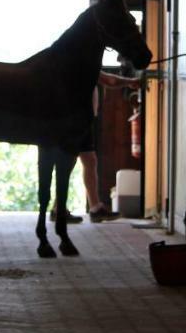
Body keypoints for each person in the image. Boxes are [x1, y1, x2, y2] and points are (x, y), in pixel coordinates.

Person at [60, 69, 142, 223]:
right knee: (74, 161)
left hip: (80, 118)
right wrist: (130, 82)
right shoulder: (83, 62)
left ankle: (93, 208)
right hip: (78, 119)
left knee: (87, 161)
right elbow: (110, 81)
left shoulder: (78, 60)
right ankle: (67, 208)